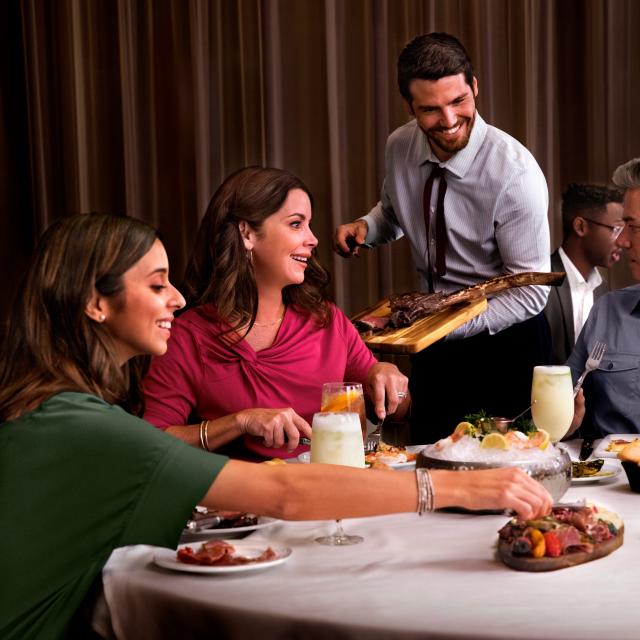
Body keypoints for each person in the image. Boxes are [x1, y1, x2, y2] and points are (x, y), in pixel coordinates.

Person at [0, 213, 552, 639]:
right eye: (156, 284)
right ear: (97, 304)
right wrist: (463, 486)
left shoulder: (48, 407)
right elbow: (283, 492)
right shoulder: (78, 423)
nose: (178, 298)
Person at [334, 33, 551, 443]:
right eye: (430, 110)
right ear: (410, 107)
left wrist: (441, 324)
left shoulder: (516, 175)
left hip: (506, 343)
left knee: (504, 474)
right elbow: (396, 211)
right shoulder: (398, 146)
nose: (448, 121)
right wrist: (367, 227)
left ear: (475, 86)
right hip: (433, 342)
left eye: (458, 102)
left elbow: (530, 293)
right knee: (430, 461)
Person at [143, 167, 409, 459]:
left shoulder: (327, 321)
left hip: (335, 491)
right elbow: (151, 441)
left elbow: (398, 411)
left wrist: (390, 381)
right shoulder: (186, 336)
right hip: (244, 500)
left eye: (309, 224)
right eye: (296, 224)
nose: (313, 239)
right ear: (246, 233)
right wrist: (239, 422)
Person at [567, 158, 640, 437]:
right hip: (605, 476)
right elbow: (560, 409)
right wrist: (564, 422)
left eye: (633, 227)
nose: (622, 241)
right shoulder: (607, 311)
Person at [544, 183, 624, 364]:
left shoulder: (604, 290)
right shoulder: (541, 282)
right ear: (581, 227)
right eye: (617, 230)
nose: (623, 241)